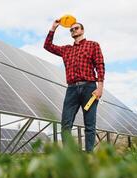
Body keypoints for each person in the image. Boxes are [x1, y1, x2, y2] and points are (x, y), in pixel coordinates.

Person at [44, 20, 105, 152]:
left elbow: (100, 65)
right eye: (71, 30)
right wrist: (53, 28)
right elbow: (47, 46)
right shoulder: (66, 50)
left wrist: (100, 87)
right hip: (71, 89)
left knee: (90, 124)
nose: (73, 31)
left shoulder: (93, 45)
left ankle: (89, 154)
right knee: (66, 123)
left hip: (89, 88)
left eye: (76, 28)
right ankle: (68, 155)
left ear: (82, 30)